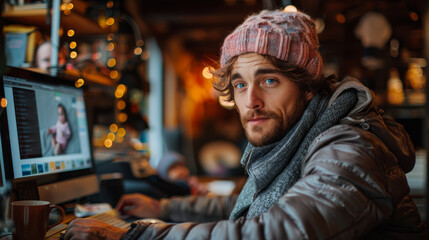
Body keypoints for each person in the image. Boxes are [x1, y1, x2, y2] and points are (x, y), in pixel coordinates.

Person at [63, 9, 428, 240]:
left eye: (269, 81)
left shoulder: (349, 148)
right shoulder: (294, 140)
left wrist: (131, 236)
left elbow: (275, 231)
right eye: (240, 84)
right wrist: (163, 209)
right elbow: (245, 206)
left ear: (306, 86)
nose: (250, 101)